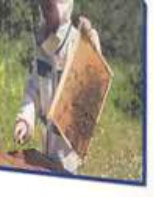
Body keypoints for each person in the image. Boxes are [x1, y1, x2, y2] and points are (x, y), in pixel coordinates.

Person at [11, 0, 101, 175]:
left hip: (67, 150)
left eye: (51, 6)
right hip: (46, 146)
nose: (46, 11)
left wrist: (91, 40)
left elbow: (93, 79)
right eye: (44, 6)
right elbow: (34, 87)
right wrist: (25, 121)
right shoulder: (44, 43)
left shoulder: (78, 41)